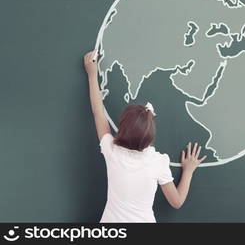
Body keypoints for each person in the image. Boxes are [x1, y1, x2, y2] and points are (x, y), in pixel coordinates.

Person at [83, 50, 206, 222]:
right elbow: (176, 201)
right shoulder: (158, 162)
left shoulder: (112, 150)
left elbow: (98, 112)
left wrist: (92, 75)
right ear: (150, 136)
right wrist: (189, 170)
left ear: (122, 129)